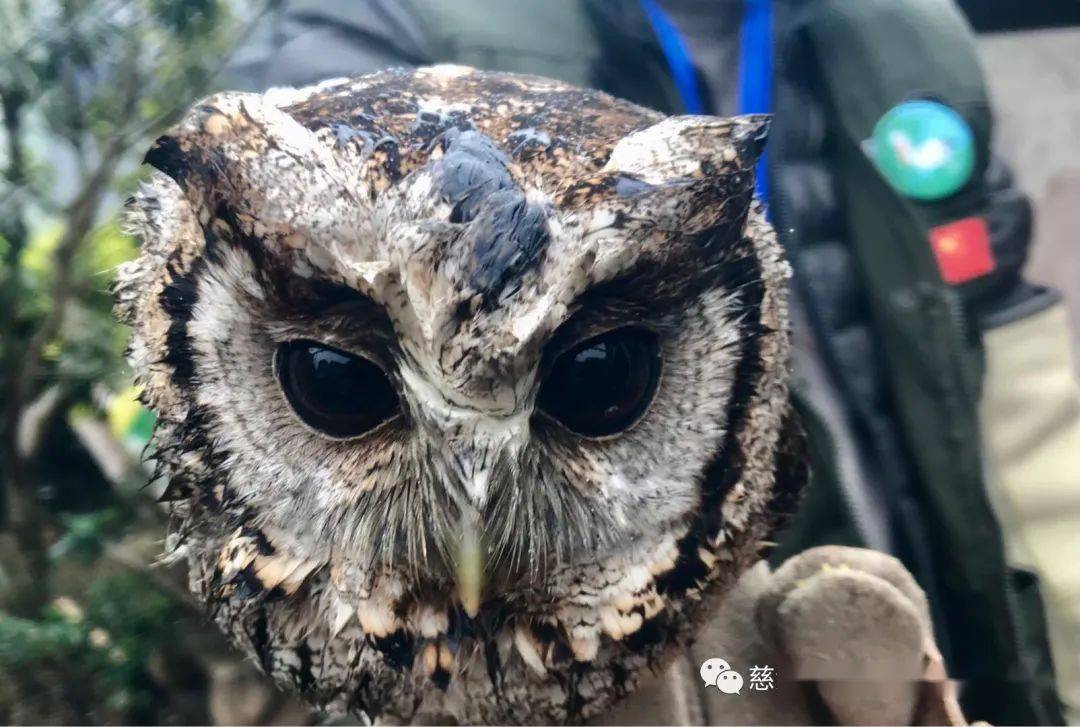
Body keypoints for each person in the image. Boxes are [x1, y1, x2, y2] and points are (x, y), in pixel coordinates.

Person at [225, 1, 1080, 723]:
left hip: (905, 627)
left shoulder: (900, 32)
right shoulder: (380, 31)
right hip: (684, 662)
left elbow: (1001, 359)